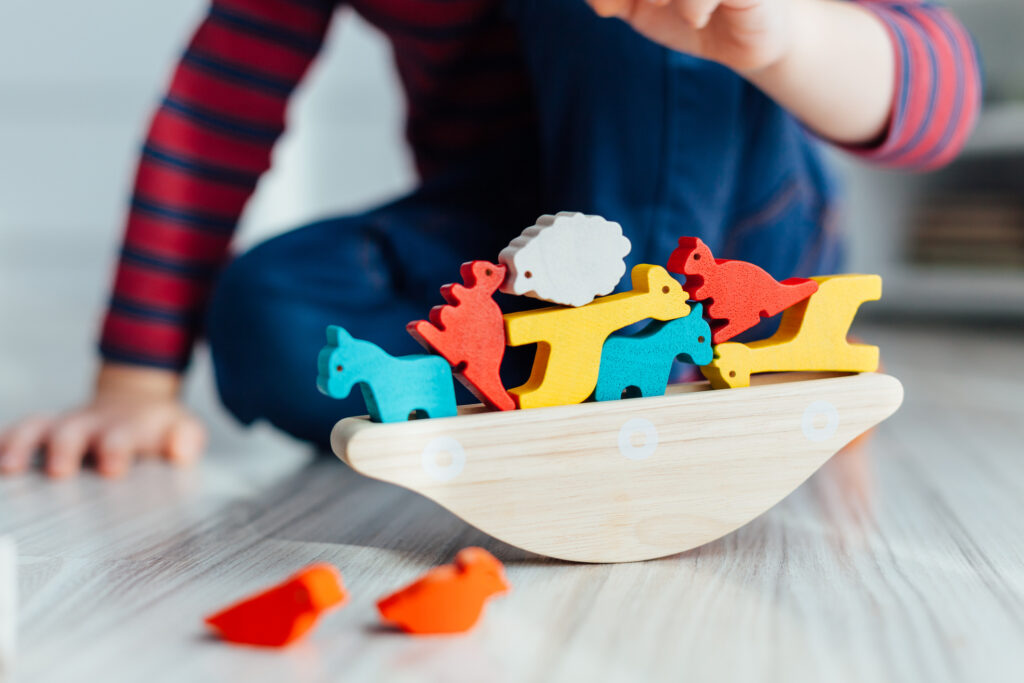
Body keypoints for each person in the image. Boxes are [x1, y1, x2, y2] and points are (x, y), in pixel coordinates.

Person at [0, 0, 980, 478]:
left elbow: (940, 96)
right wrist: (133, 380)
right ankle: (526, 398)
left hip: (720, 235)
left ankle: (664, 358)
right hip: (507, 247)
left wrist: (792, 38)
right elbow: (217, 110)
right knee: (267, 306)